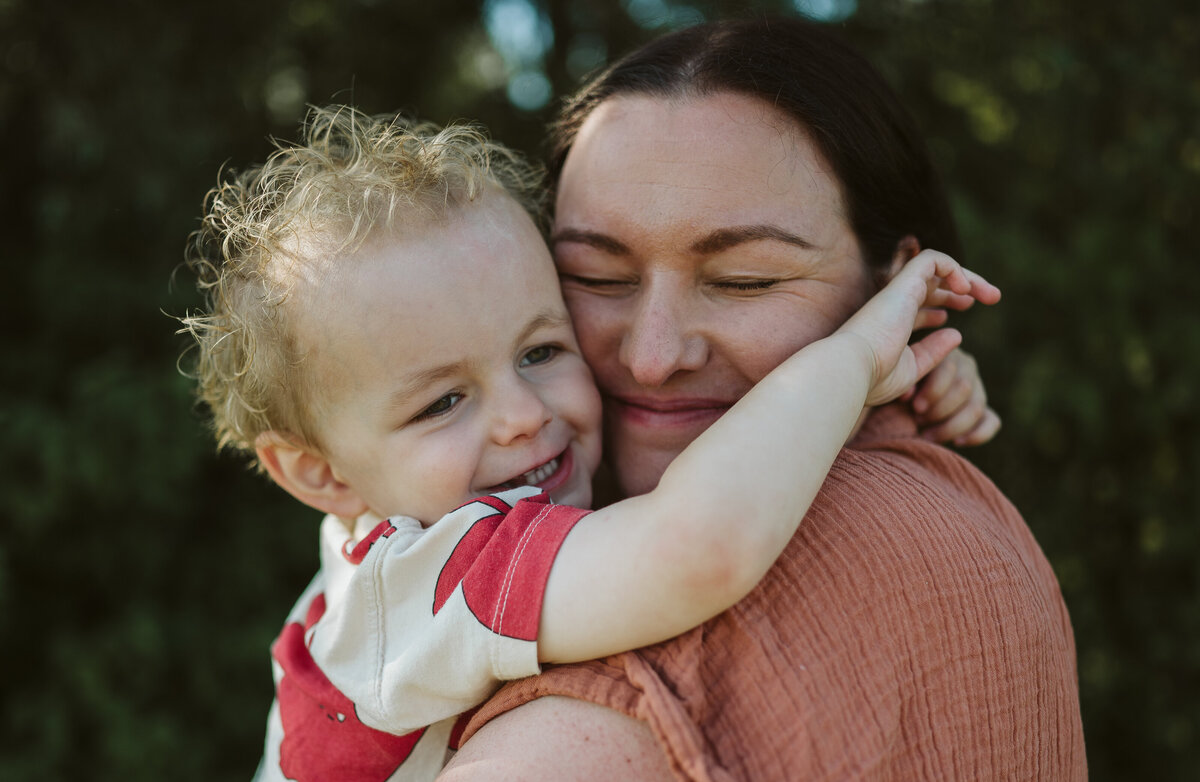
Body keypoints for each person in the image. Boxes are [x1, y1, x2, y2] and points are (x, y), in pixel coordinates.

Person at [178, 107, 998, 781]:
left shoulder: (433, 504)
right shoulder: (428, 577)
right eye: (443, 402)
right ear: (318, 473)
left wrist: (907, 380)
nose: (523, 415)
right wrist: (850, 363)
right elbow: (697, 546)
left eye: (540, 351)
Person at [440, 17, 1086, 782]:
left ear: (896, 287)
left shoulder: (840, 543)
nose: (652, 358)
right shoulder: (468, 516)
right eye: (596, 278)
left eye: (744, 281)